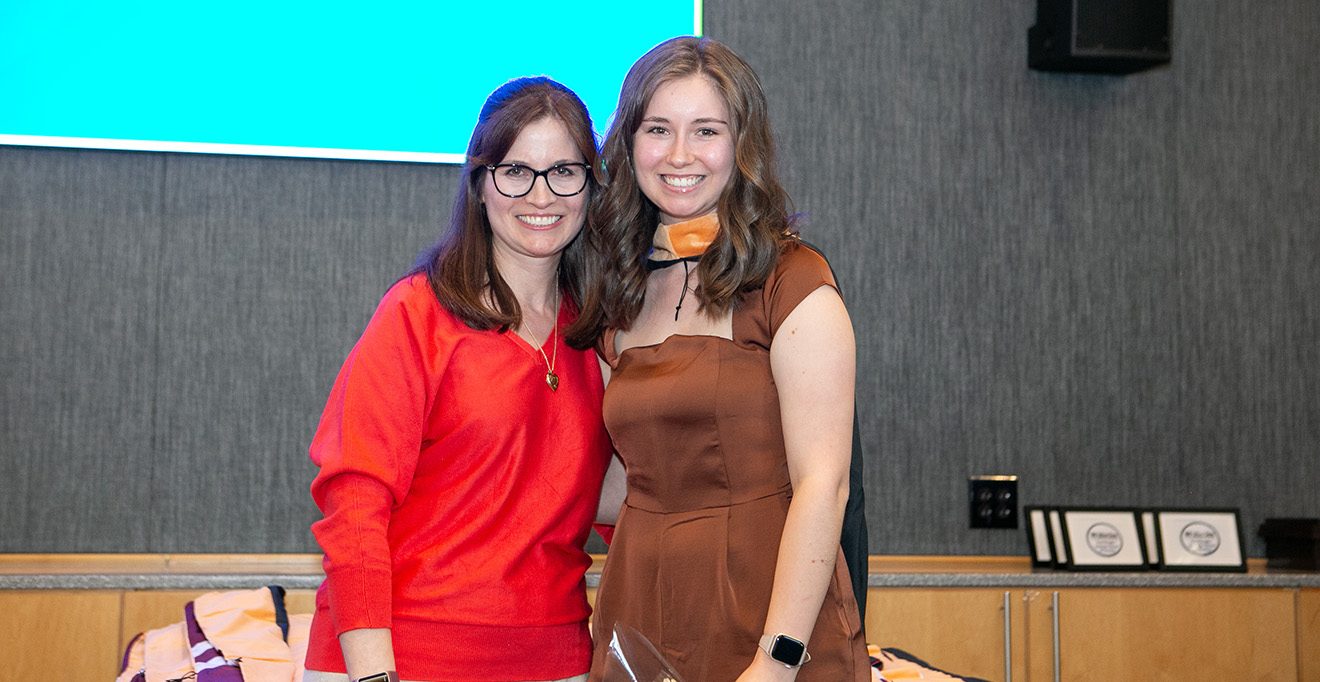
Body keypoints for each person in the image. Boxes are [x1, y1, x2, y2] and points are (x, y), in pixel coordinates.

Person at [567, 37, 869, 682]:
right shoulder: (617, 292)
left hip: (770, 617)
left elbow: (825, 484)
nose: (680, 155)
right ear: (628, 144)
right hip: (641, 608)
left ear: (742, 146)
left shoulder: (792, 279)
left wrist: (777, 659)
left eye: (706, 130)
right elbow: (632, 479)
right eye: (658, 129)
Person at [305, 77, 613, 682]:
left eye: (564, 171)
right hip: (400, 656)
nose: (541, 194)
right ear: (479, 183)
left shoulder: (599, 335)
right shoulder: (417, 313)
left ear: (589, 184)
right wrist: (373, 673)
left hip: (555, 657)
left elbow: (614, 499)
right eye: (516, 170)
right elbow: (355, 500)